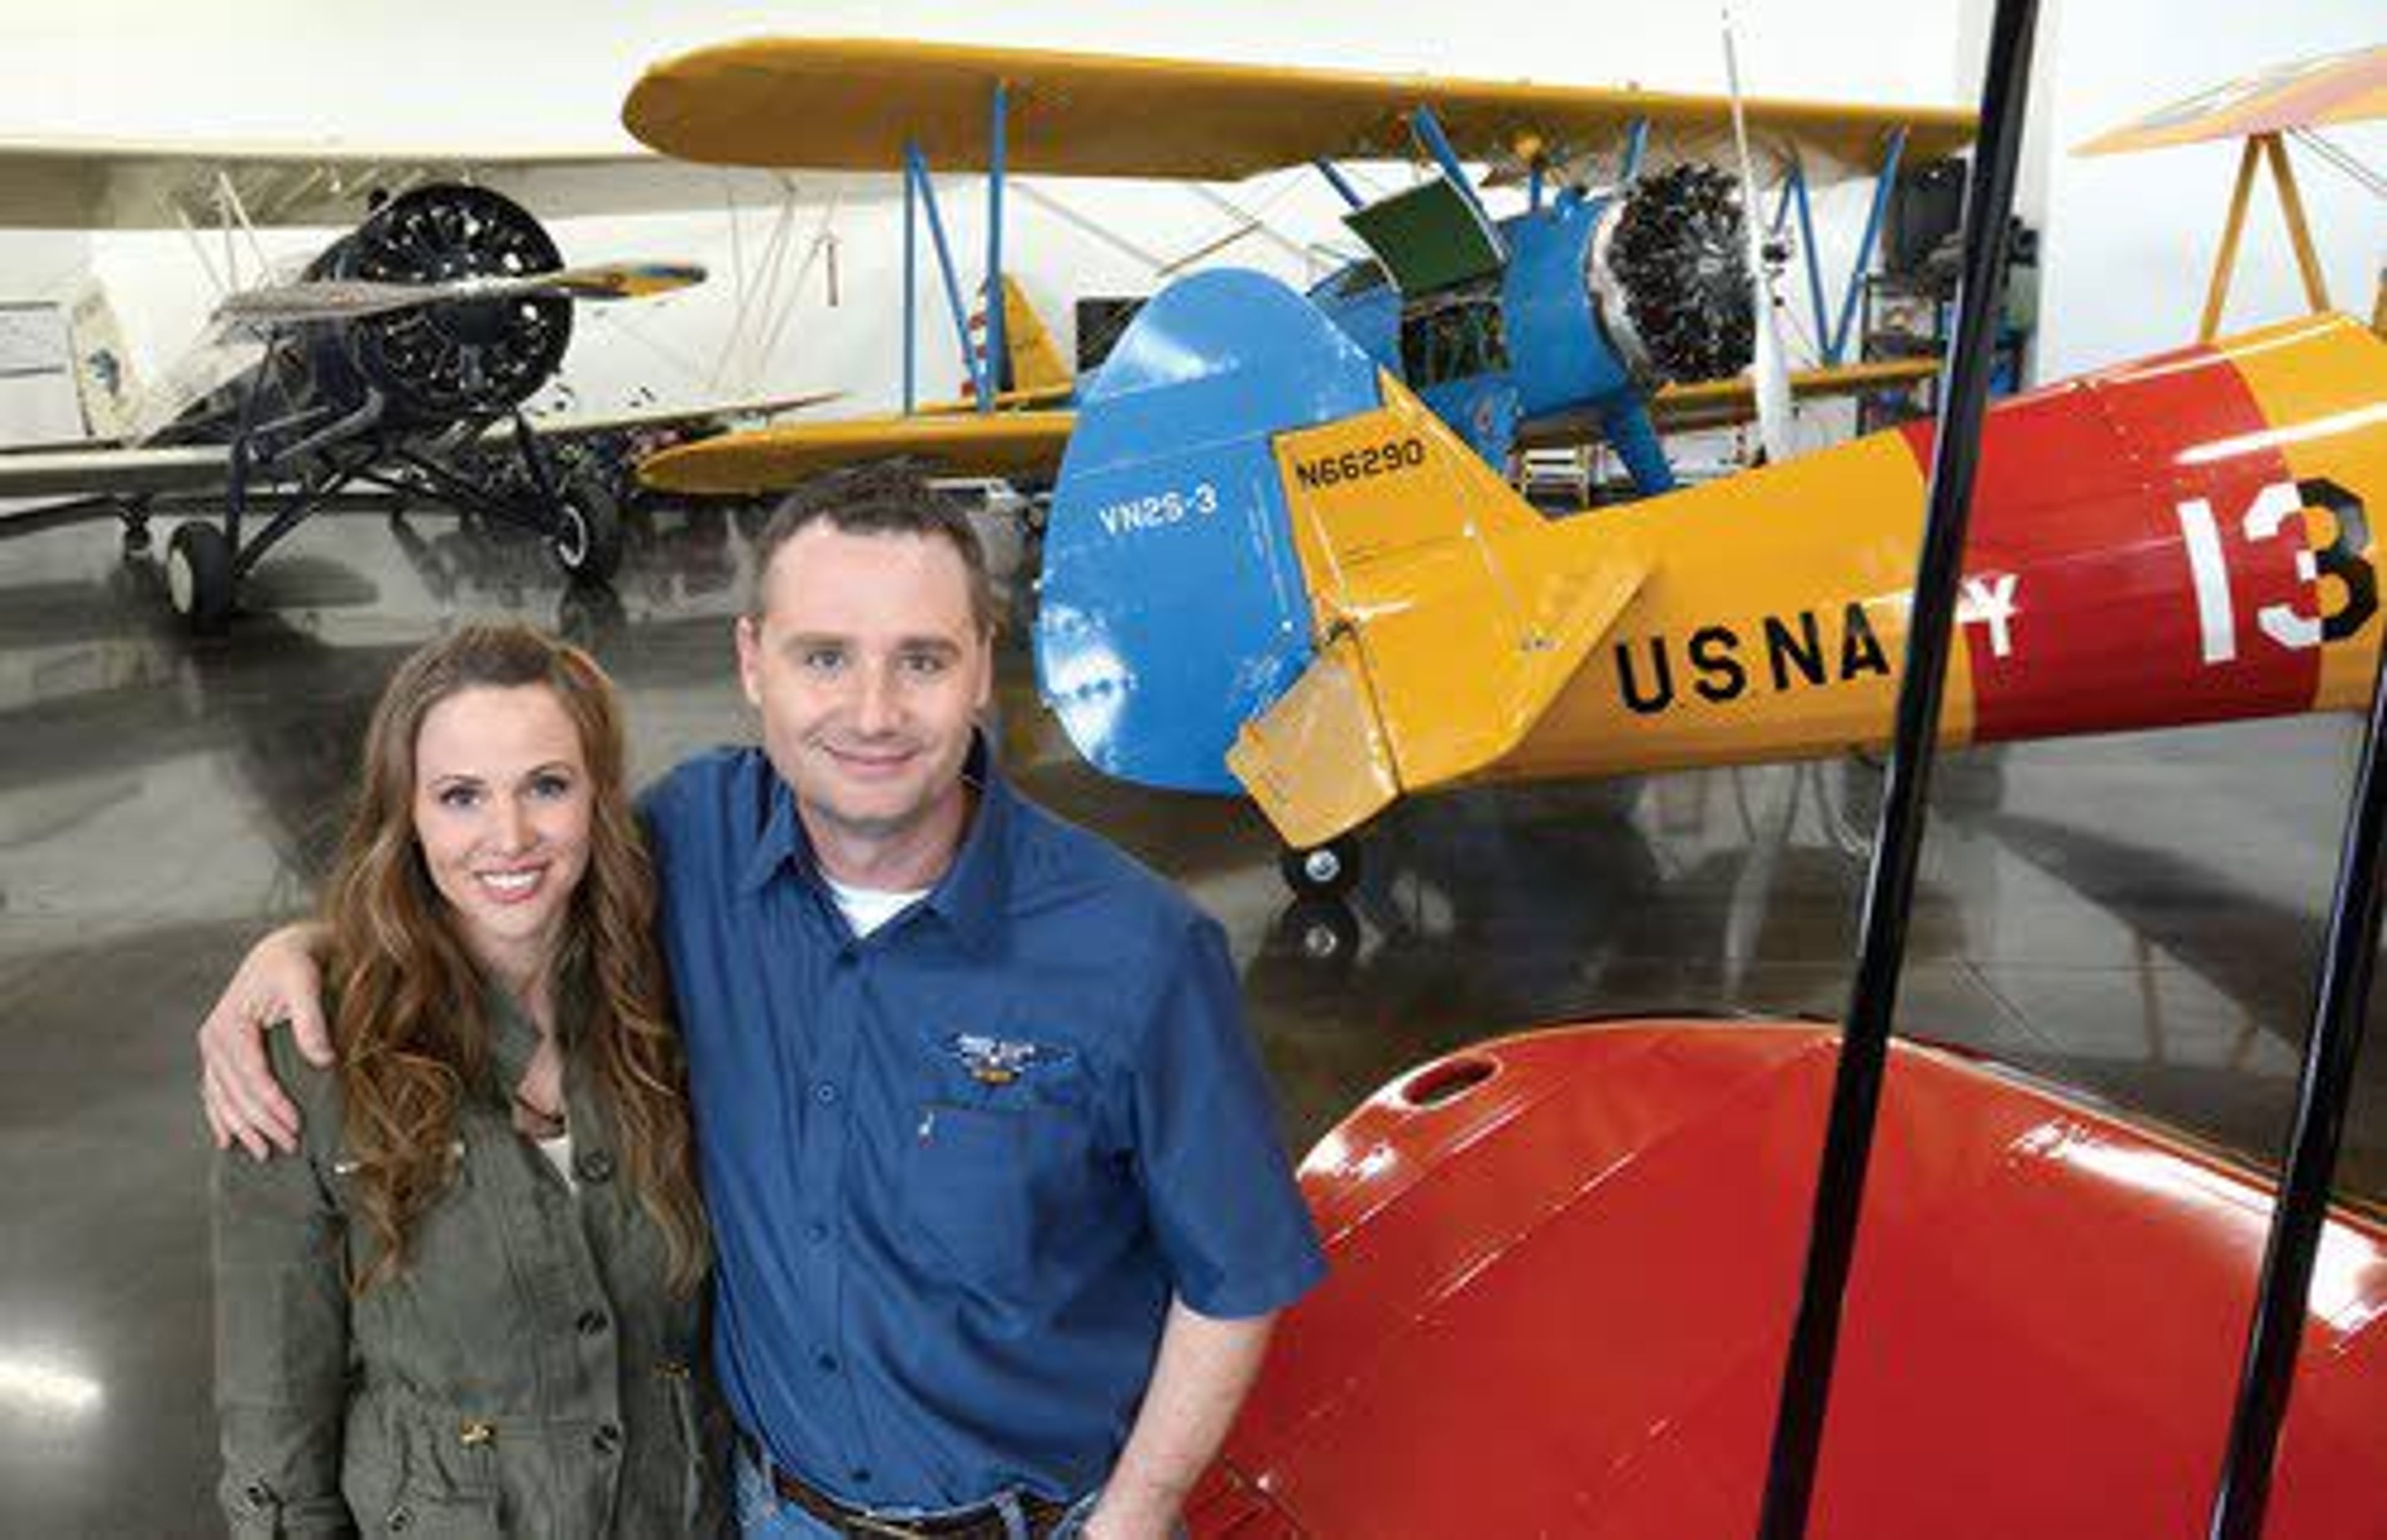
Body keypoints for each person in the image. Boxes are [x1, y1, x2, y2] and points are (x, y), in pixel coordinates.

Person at [201, 474, 1327, 1539]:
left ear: (986, 664)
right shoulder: (692, 840)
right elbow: (507, 869)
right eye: (824, 656)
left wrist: (1136, 1514)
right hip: (768, 1509)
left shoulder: (1139, 950)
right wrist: (305, 949)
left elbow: (1236, 1275)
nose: (873, 712)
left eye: (923, 659)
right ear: (754, 663)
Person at [211, 624, 725, 1537]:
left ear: (600, 797)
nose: (510, 836)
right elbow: (273, 1410)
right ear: (405, 812)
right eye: (460, 796)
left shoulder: (682, 1001)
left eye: (548, 785)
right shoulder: (309, 1056)